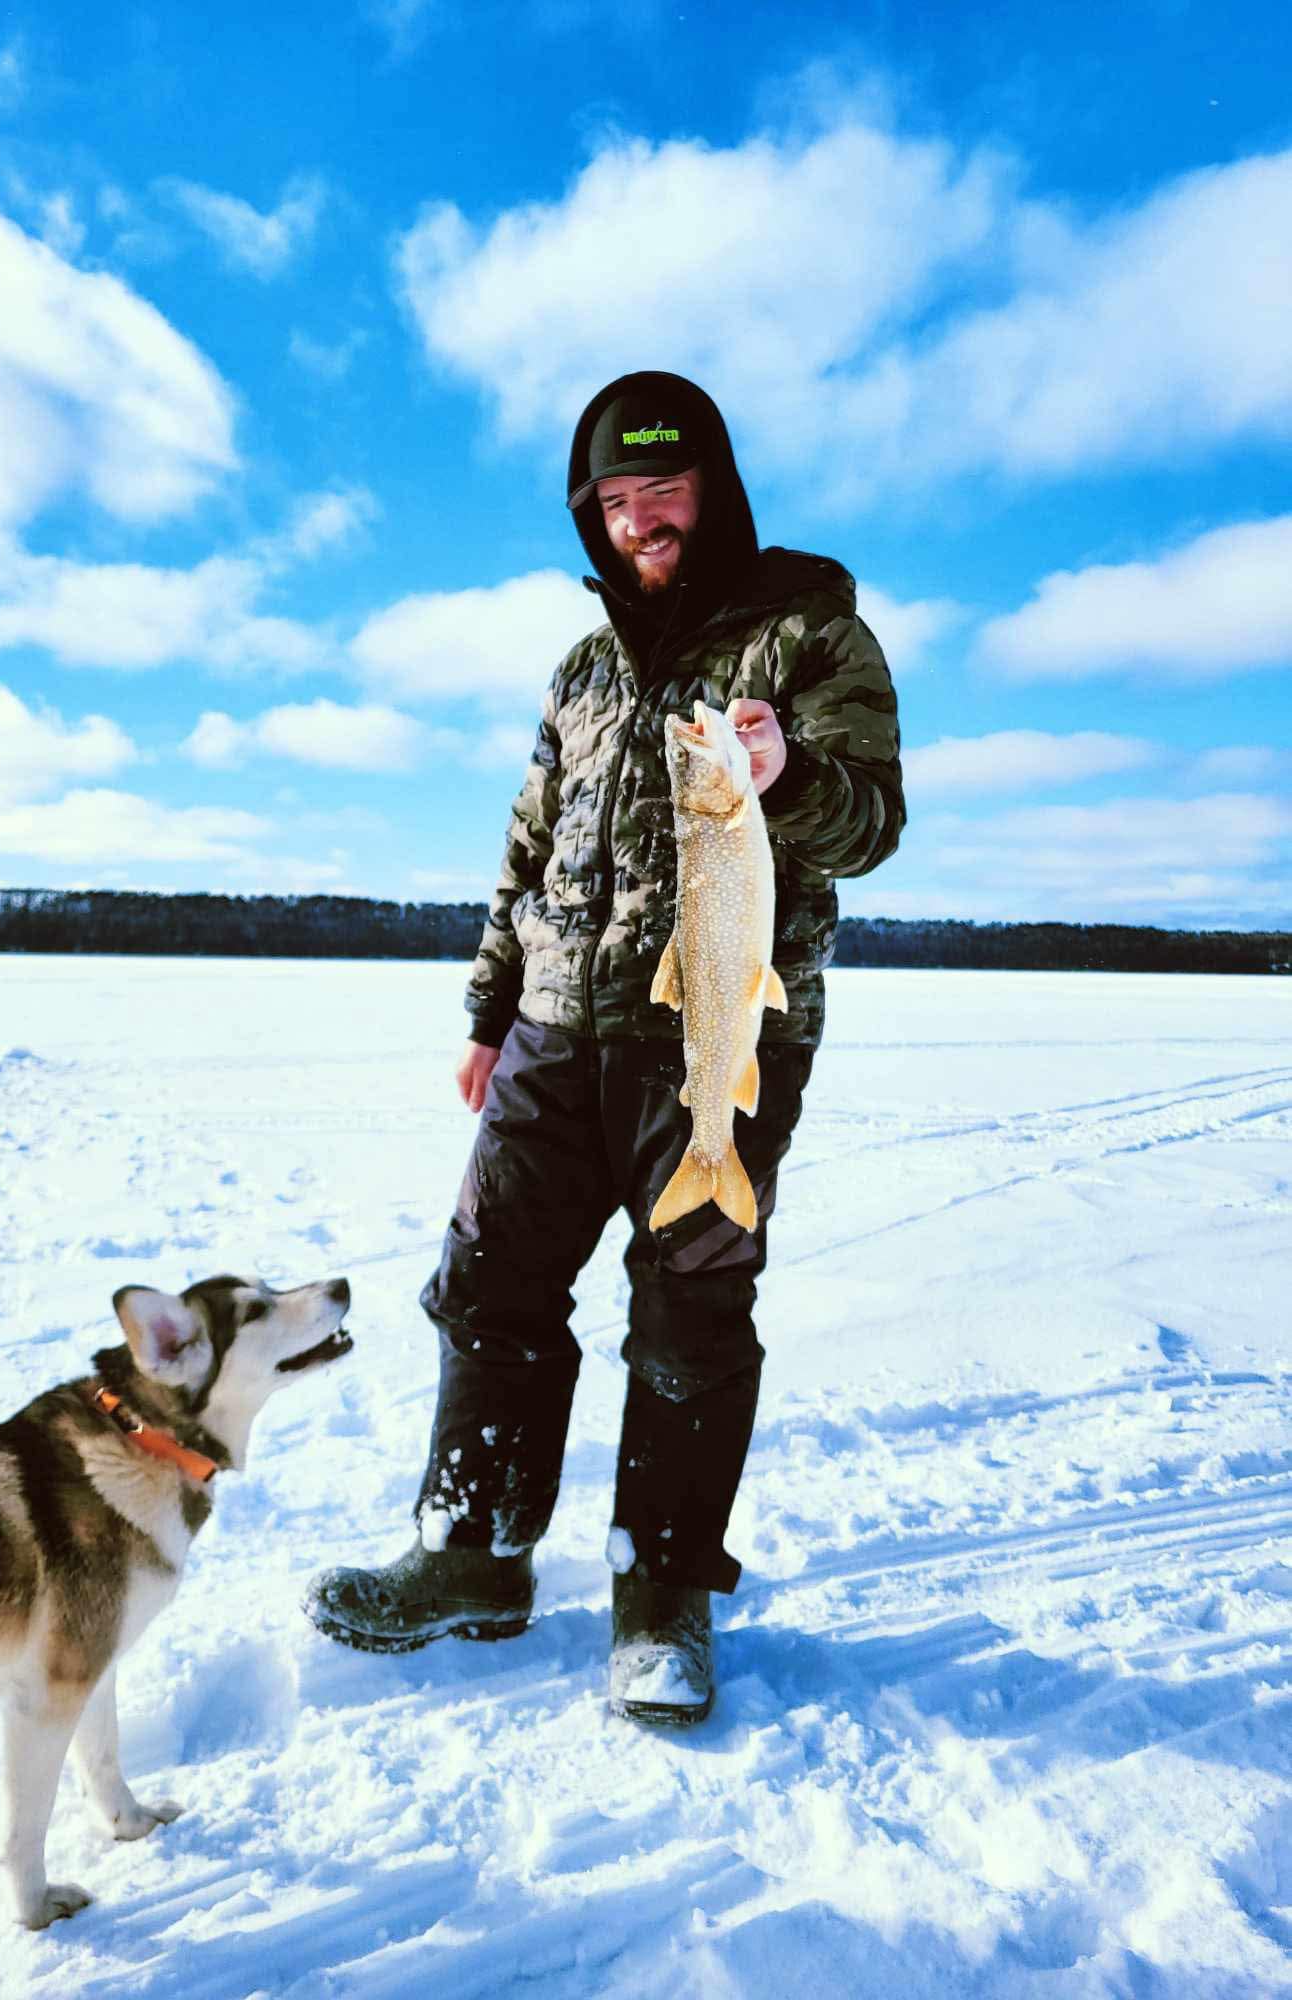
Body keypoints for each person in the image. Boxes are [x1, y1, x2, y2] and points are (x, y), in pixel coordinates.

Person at [304, 370, 904, 1724]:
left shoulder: (809, 633)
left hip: (717, 1033)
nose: (641, 521)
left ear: (716, 489)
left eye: (666, 491)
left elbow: (870, 824)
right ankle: (474, 1553)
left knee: (692, 1308)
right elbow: (530, 848)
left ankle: (662, 1595)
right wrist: (486, 1009)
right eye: (615, 501)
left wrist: (785, 774)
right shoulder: (581, 669)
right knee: (487, 1286)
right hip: (553, 1032)